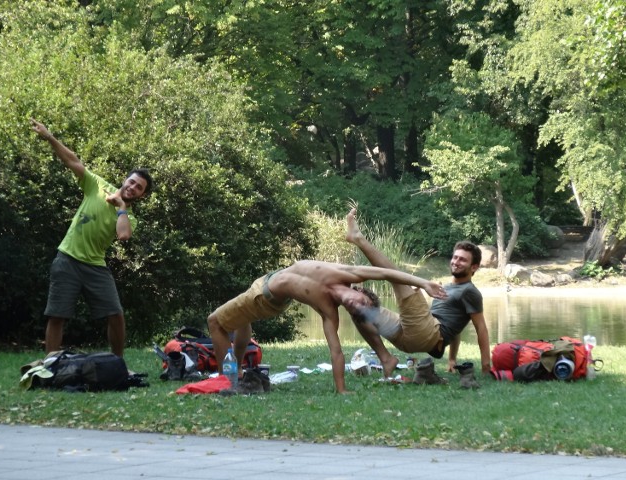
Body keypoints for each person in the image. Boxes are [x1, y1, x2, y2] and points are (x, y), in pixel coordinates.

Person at [207, 260, 447, 394]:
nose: (356, 307)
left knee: (215, 322)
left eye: (357, 312)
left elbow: (336, 351)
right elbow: (385, 272)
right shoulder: (346, 273)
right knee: (239, 322)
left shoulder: (329, 312)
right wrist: (423, 282)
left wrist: (341, 390)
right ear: (361, 291)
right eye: (362, 303)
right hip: (266, 281)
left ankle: (225, 381)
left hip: (264, 295)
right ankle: (235, 372)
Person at [31, 118, 153, 358]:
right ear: (124, 179)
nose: (132, 187)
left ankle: (117, 362)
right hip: (67, 258)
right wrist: (49, 137)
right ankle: (50, 365)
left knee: (116, 315)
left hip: (95, 267)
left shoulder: (128, 217)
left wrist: (120, 207)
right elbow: (71, 160)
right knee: (58, 315)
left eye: (138, 187)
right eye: (131, 181)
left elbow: (123, 235)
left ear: (142, 195)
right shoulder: (96, 185)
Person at [344, 208, 491, 378]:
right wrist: (452, 359)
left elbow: (481, 329)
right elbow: (456, 326)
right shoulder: (448, 287)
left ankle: (358, 239)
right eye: (455, 257)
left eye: (463, 260)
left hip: (429, 335)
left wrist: (486, 365)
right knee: (358, 308)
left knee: (396, 277)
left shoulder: (470, 291)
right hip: (410, 335)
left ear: (474, 267)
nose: (456, 262)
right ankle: (386, 358)